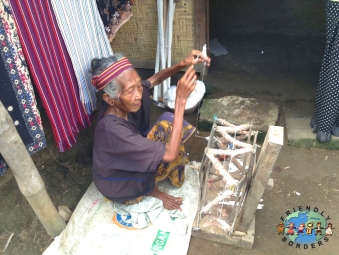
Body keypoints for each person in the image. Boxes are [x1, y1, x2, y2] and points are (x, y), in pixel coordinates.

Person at [91, 50, 210, 210]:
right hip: (117, 184)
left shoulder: (123, 101)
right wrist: (180, 100)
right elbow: (170, 155)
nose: (138, 94)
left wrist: (183, 64)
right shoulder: (112, 130)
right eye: (130, 91)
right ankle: (152, 191)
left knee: (168, 123)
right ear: (109, 99)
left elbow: (154, 80)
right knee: (168, 140)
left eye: (138, 86)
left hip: (123, 160)